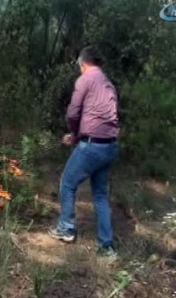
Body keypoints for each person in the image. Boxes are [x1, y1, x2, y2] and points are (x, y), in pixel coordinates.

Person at [48, 46, 119, 258]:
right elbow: (102, 118)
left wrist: (73, 132)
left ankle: (66, 228)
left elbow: (73, 112)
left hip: (92, 146)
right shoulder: (108, 83)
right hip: (110, 145)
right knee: (99, 195)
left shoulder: (85, 79)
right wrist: (78, 136)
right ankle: (106, 246)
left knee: (67, 184)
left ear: (82, 63)